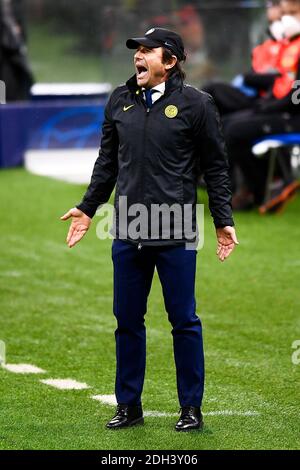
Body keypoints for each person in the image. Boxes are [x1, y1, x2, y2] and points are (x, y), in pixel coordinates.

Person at [61, 27, 239, 432]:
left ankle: (190, 408)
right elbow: (107, 163)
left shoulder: (198, 105)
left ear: (171, 61)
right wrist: (89, 209)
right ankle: (129, 406)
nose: (137, 57)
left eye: (146, 51)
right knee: (126, 320)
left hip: (176, 230)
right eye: (135, 51)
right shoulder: (119, 101)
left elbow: (216, 168)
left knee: (184, 321)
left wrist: (223, 220)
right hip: (127, 230)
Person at [223, 0, 300, 211]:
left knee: (235, 130)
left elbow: (296, 99)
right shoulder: (288, 45)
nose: (287, 18)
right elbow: (284, 86)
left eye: (293, 12)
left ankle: (260, 190)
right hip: (281, 109)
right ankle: (256, 186)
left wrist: (269, 108)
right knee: (228, 123)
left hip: (293, 118)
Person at [203, 0, 284, 116]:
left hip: (272, 101)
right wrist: (250, 78)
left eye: (275, 5)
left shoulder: (292, 46)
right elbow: (252, 77)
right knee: (211, 91)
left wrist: (252, 78)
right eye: (270, 5)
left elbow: (282, 79)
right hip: (254, 96)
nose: (271, 8)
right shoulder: (262, 48)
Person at [0, 0, 34, 101]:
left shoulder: (15, 7)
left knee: (11, 101)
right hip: (5, 64)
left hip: (14, 66)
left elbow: (21, 36)